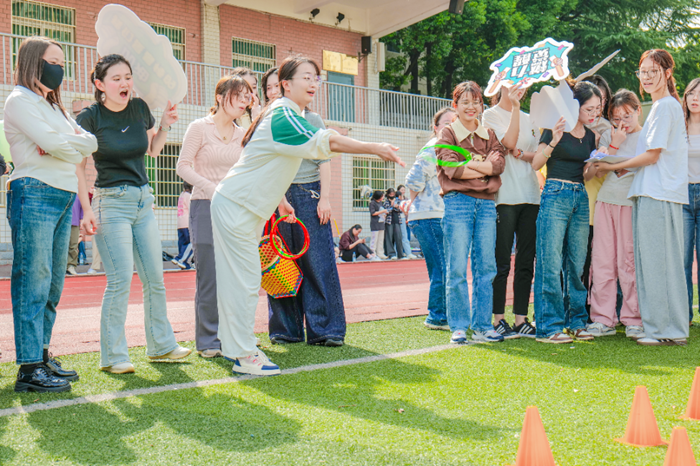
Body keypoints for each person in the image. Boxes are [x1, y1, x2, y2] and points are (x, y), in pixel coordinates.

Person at [211, 55, 403, 376]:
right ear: (286, 84)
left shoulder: (286, 113)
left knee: (242, 280)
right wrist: (374, 147)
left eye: (316, 77)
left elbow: (274, 161)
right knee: (244, 281)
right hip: (237, 207)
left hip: (242, 207)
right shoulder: (284, 114)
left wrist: (281, 201)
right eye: (306, 77)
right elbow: (326, 141)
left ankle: (238, 347)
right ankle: (243, 354)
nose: (313, 83)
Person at [76, 54, 191, 374]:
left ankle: (162, 346)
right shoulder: (90, 117)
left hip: (143, 200)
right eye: (116, 79)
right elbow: (78, 165)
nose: (125, 83)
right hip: (110, 202)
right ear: (100, 85)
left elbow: (153, 150)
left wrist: (165, 125)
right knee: (120, 279)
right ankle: (113, 356)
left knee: (155, 278)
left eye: (128, 77)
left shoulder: (140, 109)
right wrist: (86, 209)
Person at [6, 36, 97, 392]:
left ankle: (42, 355)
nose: (60, 69)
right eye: (53, 62)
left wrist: (61, 145)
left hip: (63, 194)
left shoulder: (55, 107)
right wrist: (64, 144)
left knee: (53, 282)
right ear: (34, 62)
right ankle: (29, 367)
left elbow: (88, 142)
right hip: (34, 191)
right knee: (34, 279)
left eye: (62, 63)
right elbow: (64, 144)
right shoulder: (19, 101)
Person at [595, 49, 689, 345]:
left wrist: (613, 165)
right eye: (643, 72)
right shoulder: (663, 107)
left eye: (653, 71)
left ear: (667, 73)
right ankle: (664, 328)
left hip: (658, 194)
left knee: (658, 264)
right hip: (653, 193)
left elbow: (651, 155)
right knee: (656, 264)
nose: (646, 77)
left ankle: (666, 330)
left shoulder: (665, 107)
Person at [176, 75, 250, 358]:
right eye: (238, 95)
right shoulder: (199, 127)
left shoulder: (243, 134)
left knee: (235, 276)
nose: (244, 102)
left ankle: (234, 337)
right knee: (209, 275)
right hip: (204, 205)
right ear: (220, 96)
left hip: (234, 209)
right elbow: (183, 167)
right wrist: (211, 188)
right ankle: (208, 340)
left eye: (247, 97)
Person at [267, 103, 347, 347]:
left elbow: (324, 160)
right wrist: (278, 198)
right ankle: (285, 329)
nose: (273, 92)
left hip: (308, 193)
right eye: (269, 88)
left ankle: (326, 329)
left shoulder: (311, 119)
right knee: (280, 264)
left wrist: (324, 198)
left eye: (276, 87)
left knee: (318, 261)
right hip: (276, 194)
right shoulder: (268, 120)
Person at [531, 81, 602, 344]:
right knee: (550, 262)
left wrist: (597, 160)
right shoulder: (555, 126)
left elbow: (587, 175)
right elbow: (536, 163)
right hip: (555, 193)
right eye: (589, 109)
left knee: (577, 262)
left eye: (597, 109)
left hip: (580, 196)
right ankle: (549, 327)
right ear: (575, 106)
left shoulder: (592, 136)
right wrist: (554, 141)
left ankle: (577, 322)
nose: (594, 114)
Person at [436, 81, 507, 344]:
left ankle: (482, 326)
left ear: (481, 105)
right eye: (465, 102)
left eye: (476, 102)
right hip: (458, 203)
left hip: (487, 204)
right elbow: (451, 168)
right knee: (456, 266)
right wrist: (483, 166)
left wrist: (470, 164)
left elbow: (498, 165)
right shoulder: (447, 133)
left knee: (486, 267)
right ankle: (458, 326)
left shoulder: (490, 133)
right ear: (455, 105)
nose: (471, 107)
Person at [483, 85, 540, 339]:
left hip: (531, 196)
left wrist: (522, 154)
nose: (520, 87)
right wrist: (515, 108)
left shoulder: (531, 119)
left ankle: (521, 318)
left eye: (524, 83)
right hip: (504, 197)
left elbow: (537, 156)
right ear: (500, 85)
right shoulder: (490, 115)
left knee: (526, 261)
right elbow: (507, 143)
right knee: (502, 261)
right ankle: (498, 318)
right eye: (513, 82)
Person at [585, 89, 644, 339]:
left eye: (627, 116)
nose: (622, 123)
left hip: (631, 204)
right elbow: (596, 170)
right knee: (602, 261)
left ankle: (634, 318)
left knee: (629, 262)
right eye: (617, 118)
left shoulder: (646, 137)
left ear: (638, 111)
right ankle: (602, 318)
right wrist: (614, 144)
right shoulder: (609, 135)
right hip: (606, 202)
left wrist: (614, 160)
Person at [406, 107, 455, 331]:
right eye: (446, 122)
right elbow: (413, 180)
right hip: (429, 216)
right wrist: (414, 203)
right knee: (441, 267)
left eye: (455, 122)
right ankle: (437, 316)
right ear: (435, 128)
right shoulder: (434, 146)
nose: (451, 126)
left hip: (437, 215)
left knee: (443, 267)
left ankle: (442, 313)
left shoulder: (451, 148)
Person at [582, 75, 614, 315]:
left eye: (602, 99)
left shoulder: (608, 128)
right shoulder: (572, 126)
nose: (597, 105)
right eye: (593, 99)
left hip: (603, 199)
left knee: (601, 259)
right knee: (579, 259)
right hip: (578, 198)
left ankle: (601, 308)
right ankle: (578, 307)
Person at [682, 78, 700, 323]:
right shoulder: (678, 127)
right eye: (691, 94)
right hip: (682, 195)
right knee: (683, 259)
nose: (695, 98)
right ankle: (683, 314)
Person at [171, 181, 194, 270]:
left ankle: (183, 262)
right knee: (192, 243)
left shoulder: (182, 194)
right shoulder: (188, 196)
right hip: (187, 223)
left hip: (180, 223)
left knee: (183, 243)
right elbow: (191, 209)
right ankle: (180, 259)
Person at [383, 187, 405, 259]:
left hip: (397, 221)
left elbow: (401, 210)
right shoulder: (386, 202)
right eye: (391, 194)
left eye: (393, 194)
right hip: (389, 222)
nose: (392, 195)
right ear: (388, 194)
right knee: (389, 238)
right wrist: (392, 206)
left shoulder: (398, 200)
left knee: (399, 237)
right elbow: (387, 210)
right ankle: (391, 254)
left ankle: (400, 254)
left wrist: (396, 207)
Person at [396, 185, 416, 259]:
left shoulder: (406, 199)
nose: (403, 191)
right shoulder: (396, 201)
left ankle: (407, 252)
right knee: (399, 237)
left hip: (406, 220)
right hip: (398, 220)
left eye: (404, 190)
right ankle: (399, 252)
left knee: (406, 236)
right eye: (401, 190)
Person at [66, 196, 83, 276]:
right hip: (63, 221)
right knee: (61, 246)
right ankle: (60, 266)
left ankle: (71, 266)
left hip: (75, 222)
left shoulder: (79, 195)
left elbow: (82, 207)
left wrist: (82, 219)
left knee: (73, 245)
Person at [369, 190, 388, 259]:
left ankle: (380, 253)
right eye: (382, 196)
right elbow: (373, 213)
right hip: (375, 223)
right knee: (374, 239)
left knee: (380, 239)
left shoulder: (380, 203)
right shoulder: (372, 203)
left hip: (381, 222)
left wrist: (385, 213)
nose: (383, 197)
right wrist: (382, 211)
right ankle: (373, 253)